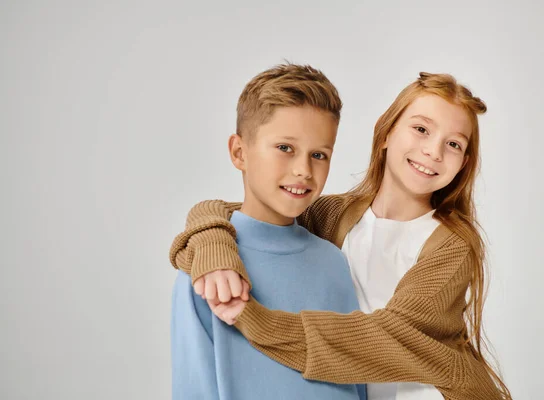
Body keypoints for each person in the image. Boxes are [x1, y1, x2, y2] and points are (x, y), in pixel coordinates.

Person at [171, 72, 512, 400]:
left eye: (453, 144)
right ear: (387, 133)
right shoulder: (333, 215)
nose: (433, 152)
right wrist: (214, 248)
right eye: (421, 129)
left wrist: (255, 321)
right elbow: (246, 216)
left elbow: (383, 341)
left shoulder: (452, 245)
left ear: (464, 163)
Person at [170, 63, 366, 400]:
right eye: (285, 148)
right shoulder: (207, 271)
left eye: (318, 154)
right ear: (239, 152)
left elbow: (354, 374)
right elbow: (195, 388)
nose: (304, 170)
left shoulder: (334, 262)